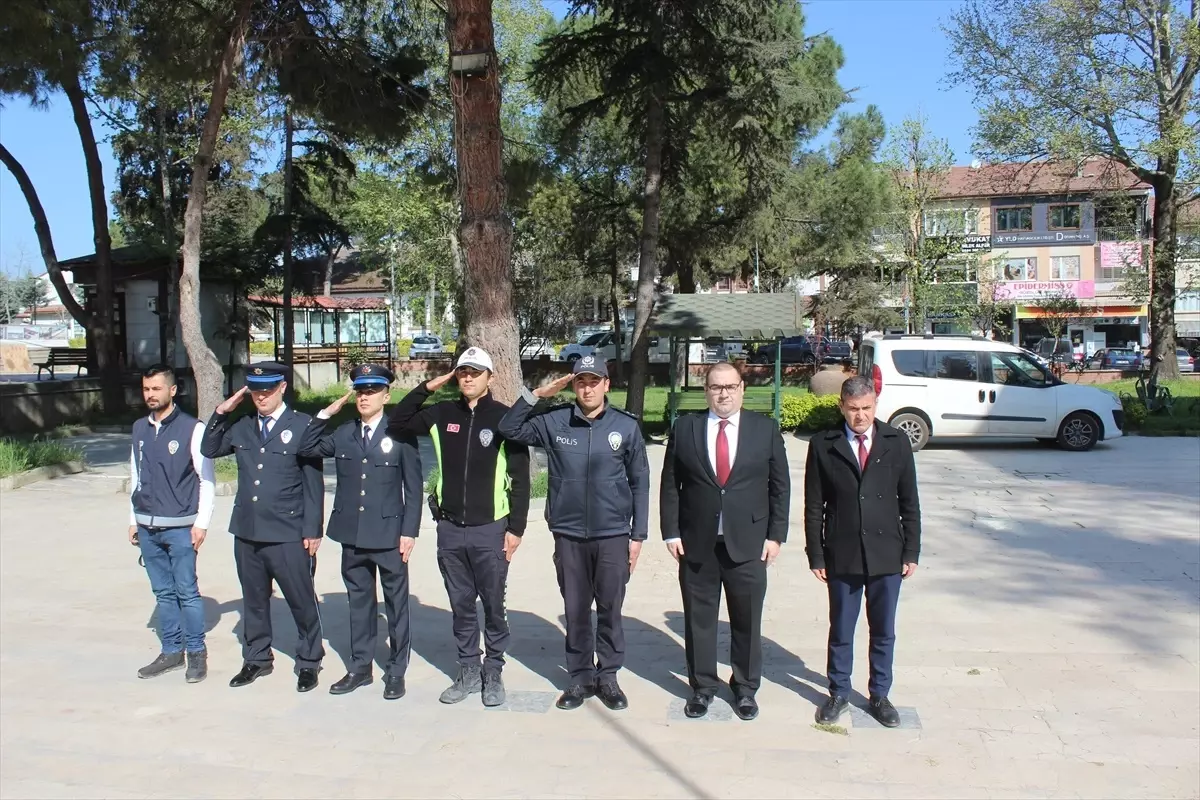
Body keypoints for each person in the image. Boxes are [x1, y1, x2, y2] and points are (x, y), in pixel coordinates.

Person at [499, 355, 649, 712]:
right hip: (568, 534)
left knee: (611, 608)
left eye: (594, 381)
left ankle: (608, 676)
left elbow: (640, 483)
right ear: (574, 384)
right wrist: (537, 394)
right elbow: (509, 427)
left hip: (612, 534)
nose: (587, 387)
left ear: (606, 385)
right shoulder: (554, 422)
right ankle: (581, 677)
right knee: (576, 608)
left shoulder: (625, 427)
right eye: (581, 381)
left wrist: (638, 535)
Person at [386, 346, 530, 707]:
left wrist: (517, 529)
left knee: (494, 605)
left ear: (490, 378)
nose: (468, 377)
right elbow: (398, 421)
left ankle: (493, 670)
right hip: (450, 529)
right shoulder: (440, 413)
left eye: (475, 372)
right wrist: (430, 386)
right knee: (461, 604)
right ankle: (468, 669)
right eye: (462, 371)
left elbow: (521, 476)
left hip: (491, 529)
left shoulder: (504, 418)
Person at [659, 362, 790, 721]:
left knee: (746, 619)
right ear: (706, 391)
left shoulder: (764, 430)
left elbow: (780, 487)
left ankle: (745, 688)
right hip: (697, 543)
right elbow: (671, 484)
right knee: (699, 620)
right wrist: (671, 531)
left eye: (730, 387)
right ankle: (702, 687)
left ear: (742, 389)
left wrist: (776, 535)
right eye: (716, 387)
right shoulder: (685, 429)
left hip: (748, 543)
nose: (724, 394)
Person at [298, 364, 422, 700]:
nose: (365, 397)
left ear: (386, 395)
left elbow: (413, 488)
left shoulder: (400, 434)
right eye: (360, 391)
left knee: (397, 606)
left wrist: (409, 532)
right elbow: (306, 447)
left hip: (389, 535)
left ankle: (396, 671)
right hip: (351, 535)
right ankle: (360, 667)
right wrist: (325, 413)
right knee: (359, 604)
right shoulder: (343, 433)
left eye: (372, 391)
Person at [200, 362, 326, 693]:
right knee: (253, 601)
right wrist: (222, 412)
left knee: (301, 600)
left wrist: (313, 530)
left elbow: (313, 485)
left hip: (288, 532)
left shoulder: (302, 426)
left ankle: (309, 661)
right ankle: (257, 658)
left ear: (282, 387)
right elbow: (209, 449)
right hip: (248, 530)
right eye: (256, 391)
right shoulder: (242, 427)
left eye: (268, 390)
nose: (261, 397)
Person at [804, 375, 921, 728]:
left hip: (887, 552)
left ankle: (880, 694)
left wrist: (911, 550)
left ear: (875, 405)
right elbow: (814, 506)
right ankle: (838, 691)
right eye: (853, 409)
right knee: (841, 627)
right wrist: (817, 555)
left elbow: (909, 501)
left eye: (866, 409)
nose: (860, 416)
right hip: (843, 552)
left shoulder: (895, 441)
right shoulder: (825, 444)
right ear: (841, 406)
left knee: (883, 629)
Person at [129, 365, 216, 684]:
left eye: (156, 389)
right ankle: (171, 651)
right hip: (146, 527)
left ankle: (196, 653)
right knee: (163, 593)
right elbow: (136, 475)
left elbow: (206, 479)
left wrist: (201, 524)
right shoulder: (139, 428)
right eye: (146, 389)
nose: (150, 395)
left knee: (187, 592)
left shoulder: (193, 429)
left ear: (173, 390)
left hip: (181, 527)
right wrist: (132, 519)